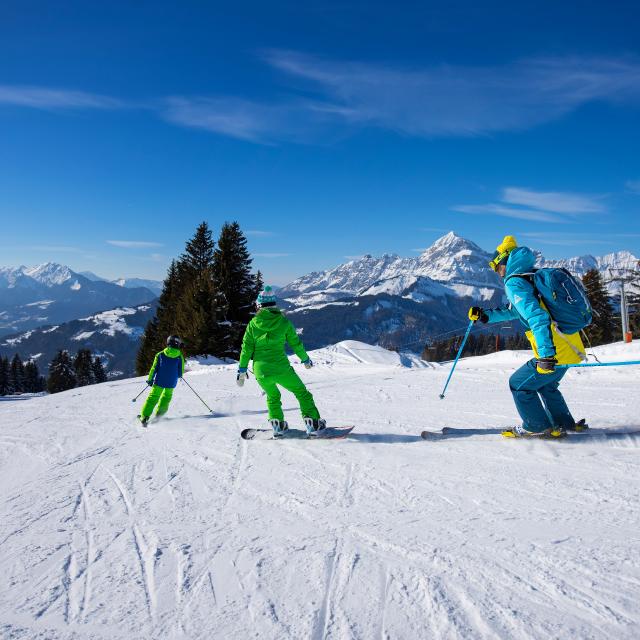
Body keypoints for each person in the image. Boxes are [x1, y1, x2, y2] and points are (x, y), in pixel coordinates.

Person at [468, 235, 585, 438]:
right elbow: (516, 310)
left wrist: (546, 356)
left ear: (504, 261)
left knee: (519, 385)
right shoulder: (530, 275)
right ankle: (564, 423)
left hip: (554, 350)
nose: (497, 272)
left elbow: (538, 317)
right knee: (547, 385)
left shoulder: (515, 283)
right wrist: (486, 316)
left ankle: (536, 426)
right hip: (571, 345)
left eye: (497, 267)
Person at [237, 286, 325, 436]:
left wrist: (242, 370)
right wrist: (305, 359)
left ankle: (278, 425)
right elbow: (296, 344)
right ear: (274, 305)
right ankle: (313, 424)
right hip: (281, 368)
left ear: (259, 306)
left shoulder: (252, 324)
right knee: (302, 393)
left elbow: (246, 349)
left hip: (260, 370)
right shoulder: (284, 322)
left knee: (273, 396)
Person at [139, 335, 185, 425]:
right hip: (171, 383)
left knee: (153, 398)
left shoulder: (160, 354)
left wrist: (150, 379)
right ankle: (159, 416)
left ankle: (144, 416)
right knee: (166, 398)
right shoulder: (180, 356)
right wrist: (178, 375)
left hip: (159, 381)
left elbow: (154, 368)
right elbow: (180, 371)